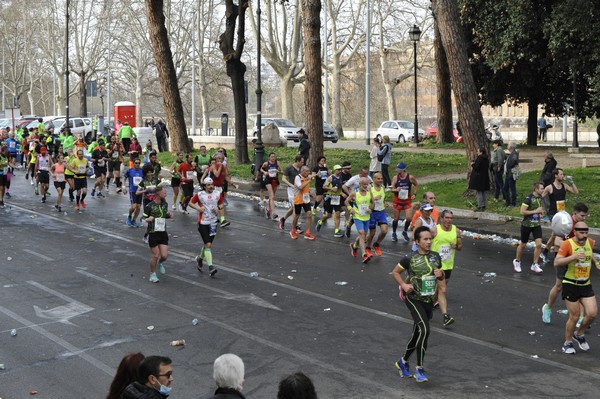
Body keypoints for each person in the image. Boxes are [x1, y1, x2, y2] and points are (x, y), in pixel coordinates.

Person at [392, 226, 444, 383]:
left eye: (430, 239)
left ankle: (402, 361)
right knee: (425, 330)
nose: (429, 242)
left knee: (418, 333)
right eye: (425, 239)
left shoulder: (435, 257)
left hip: (428, 300)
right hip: (413, 298)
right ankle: (419, 368)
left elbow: (440, 278)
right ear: (417, 241)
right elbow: (395, 272)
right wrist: (404, 285)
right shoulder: (409, 258)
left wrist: (440, 274)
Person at [554, 222, 598, 355]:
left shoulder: (589, 242)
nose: (584, 236)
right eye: (581, 233)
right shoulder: (568, 244)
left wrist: (596, 262)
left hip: (585, 284)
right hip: (570, 284)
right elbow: (557, 262)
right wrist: (573, 257)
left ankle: (579, 334)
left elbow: (591, 254)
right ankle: (567, 342)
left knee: (592, 314)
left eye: (586, 233)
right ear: (575, 231)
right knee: (574, 316)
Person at [542, 203, 589, 324]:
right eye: (582, 215)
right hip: (564, 259)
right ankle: (547, 308)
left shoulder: (582, 226)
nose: (584, 218)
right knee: (558, 287)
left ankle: (580, 316)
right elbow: (557, 241)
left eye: (585, 216)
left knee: (580, 285)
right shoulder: (565, 223)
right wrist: (571, 246)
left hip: (577, 260)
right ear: (575, 213)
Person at [431, 209, 462, 327]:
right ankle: (445, 316)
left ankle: (427, 309)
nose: (449, 220)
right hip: (436, 265)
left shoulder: (456, 230)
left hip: (448, 265)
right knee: (442, 290)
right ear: (442, 219)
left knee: (438, 291)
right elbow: (426, 243)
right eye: (447, 218)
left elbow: (460, 247)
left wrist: (456, 245)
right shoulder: (435, 230)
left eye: (451, 218)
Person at [189, 177, 224, 277]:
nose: (211, 186)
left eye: (212, 184)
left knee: (207, 245)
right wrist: (198, 208)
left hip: (213, 223)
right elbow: (190, 203)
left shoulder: (217, 194)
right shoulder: (200, 195)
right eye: (208, 185)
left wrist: (218, 208)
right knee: (208, 245)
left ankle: (200, 259)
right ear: (204, 186)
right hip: (203, 223)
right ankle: (211, 267)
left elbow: (222, 204)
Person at [512, 182, 545, 274]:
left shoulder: (540, 197)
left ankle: (535, 264)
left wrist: (541, 213)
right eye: (541, 188)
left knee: (539, 244)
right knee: (523, 244)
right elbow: (522, 211)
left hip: (536, 225)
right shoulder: (528, 198)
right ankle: (517, 261)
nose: (543, 190)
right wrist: (535, 211)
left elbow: (539, 208)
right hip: (526, 225)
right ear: (536, 189)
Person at [143, 186, 173, 283]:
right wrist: (148, 219)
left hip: (162, 232)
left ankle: (160, 263)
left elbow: (163, 216)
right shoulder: (149, 206)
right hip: (153, 233)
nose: (166, 194)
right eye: (164, 192)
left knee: (164, 256)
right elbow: (142, 220)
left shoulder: (165, 204)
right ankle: (152, 274)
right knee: (155, 255)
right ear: (158, 194)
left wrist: (168, 216)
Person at [346, 177, 374, 263]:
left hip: (366, 217)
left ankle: (354, 246)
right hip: (357, 217)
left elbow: (373, 202)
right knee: (362, 233)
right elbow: (346, 201)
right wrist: (350, 209)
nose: (365, 186)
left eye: (367, 184)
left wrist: (370, 209)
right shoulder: (355, 193)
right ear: (359, 184)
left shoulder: (369, 193)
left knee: (363, 235)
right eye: (364, 184)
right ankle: (364, 255)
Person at [391, 162, 418, 242]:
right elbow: (392, 189)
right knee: (396, 218)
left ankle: (404, 232)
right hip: (397, 201)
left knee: (409, 218)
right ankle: (394, 233)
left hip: (407, 201)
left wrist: (414, 194)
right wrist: (396, 189)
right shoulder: (395, 178)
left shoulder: (410, 177)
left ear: (402, 170)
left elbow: (416, 185)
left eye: (398, 169)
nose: (396, 170)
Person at [316, 164, 344, 237]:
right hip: (330, 198)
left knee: (337, 214)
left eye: (340, 169)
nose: (339, 171)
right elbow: (324, 186)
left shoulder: (341, 177)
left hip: (337, 198)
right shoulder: (330, 178)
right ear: (335, 170)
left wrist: (342, 193)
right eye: (338, 170)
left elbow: (340, 187)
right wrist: (331, 189)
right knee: (329, 215)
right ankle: (321, 221)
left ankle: (337, 231)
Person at [290, 166, 316, 240]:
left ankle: (307, 233)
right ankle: (293, 230)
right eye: (307, 171)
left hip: (306, 199)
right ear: (303, 171)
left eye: (309, 171)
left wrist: (309, 193)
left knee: (309, 214)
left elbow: (306, 186)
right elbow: (300, 187)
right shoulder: (297, 177)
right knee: (297, 216)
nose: (308, 173)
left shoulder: (307, 177)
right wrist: (308, 180)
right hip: (298, 199)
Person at [366, 172, 388, 257]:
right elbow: (366, 200)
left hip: (381, 211)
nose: (380, 180)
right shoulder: (369, 188)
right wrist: (374, 199)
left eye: (381, 179)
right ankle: (368, 247)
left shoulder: (382, 187)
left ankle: (377, 244)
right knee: (372, 233)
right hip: (372, 212)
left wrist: (385, 202)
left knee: (384, 230)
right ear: (374, 179)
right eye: (378, 179)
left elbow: (383, 197)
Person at [279, 155, 304, 232]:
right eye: (302, 162)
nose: (303, 163)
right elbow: (283, 179)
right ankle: (295, 227)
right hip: (291, 190)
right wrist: (291, 185)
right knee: (295, 208)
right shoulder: (289, 168)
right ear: (297, 161)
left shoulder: (301, 169)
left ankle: (283, 219)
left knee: (293, 208)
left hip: (299, 190)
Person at [260, 152, 283, 221]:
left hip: (275, 180)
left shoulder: (277, 163)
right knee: (272, 196)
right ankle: (273, 213)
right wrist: (264, 172)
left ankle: (268, 208)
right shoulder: (266, 163)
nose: (273, 158)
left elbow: (282, 171)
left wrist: (278, 171)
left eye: (274, 157)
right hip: (268, 180)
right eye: (272, 157)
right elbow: (261, 169)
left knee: (272, 197)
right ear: (269, 158)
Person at [468, 147, 490, 212]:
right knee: (484, 192)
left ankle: (480, 205)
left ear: (481, 152)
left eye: (478, 151)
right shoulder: (486, 158)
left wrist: (472, 164)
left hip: (479, 177)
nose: (477, 152)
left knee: (479, 192)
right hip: (484, 177)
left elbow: (477, 167)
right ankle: (484, 205)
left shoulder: (480, 158)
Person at [125, 159, 145, 227]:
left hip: (139, 191)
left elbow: (145, 180)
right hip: (132, 191)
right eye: (136, 163)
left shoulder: (142, 171)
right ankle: (129, 216)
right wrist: (123, 186)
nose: (137, 164)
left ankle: (134, 220)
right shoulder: (130, 170)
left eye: (139, 163)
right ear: (133, 163)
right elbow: (124, 178)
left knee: (138, 207)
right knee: (134, 206)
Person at [502, 141, 519, 207]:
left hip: (511, 174)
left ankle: (513, 203)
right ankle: (508, 201)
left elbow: (513, 162)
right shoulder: (511, 154)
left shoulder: (514, 154)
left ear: (511, 147)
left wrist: (508, 165)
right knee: (505, 188)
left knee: (512, 189)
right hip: (508, 174)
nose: (507, 147)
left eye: (508, 145)